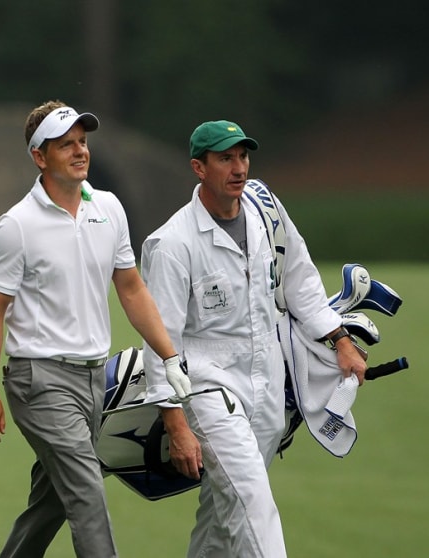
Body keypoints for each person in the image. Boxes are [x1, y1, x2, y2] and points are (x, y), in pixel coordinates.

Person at [0, 100, 191, 558]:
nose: (79, 151)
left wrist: (169, 357)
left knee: (51, 502)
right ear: (39, 156)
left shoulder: (108, 208)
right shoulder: (16, 226)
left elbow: (131, 289)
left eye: (83, 142)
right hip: (39, 382)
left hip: (95, 382)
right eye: (65, 144)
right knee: (87, 492)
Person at [140, 120, 368, 557]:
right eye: (225, 158)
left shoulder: (266, 212)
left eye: (243, 156)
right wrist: (174, 420)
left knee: (223, 514)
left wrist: (339, 339)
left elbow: (300, 280)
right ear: (198, 168)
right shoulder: (172, 243)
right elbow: (160, 339)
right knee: (254, 504)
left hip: (267, 384)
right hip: (207, 386)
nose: (239, 167)